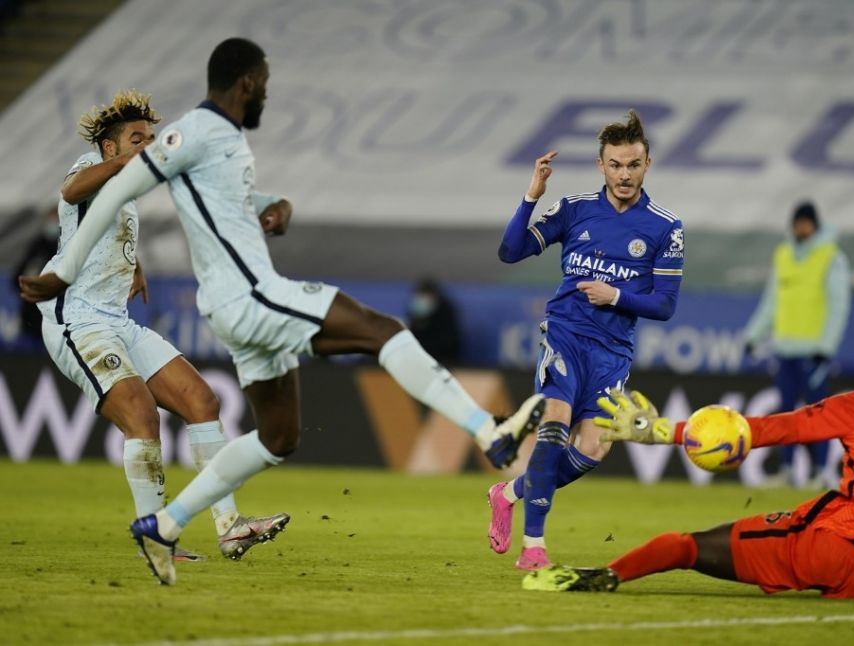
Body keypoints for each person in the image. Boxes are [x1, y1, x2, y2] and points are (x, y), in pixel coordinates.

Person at [19, 38, 545, 586]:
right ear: (247, 82)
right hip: (207, 302)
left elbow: (213, 200)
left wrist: (272, 204)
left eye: (148, 139)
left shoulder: (224, 142)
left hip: (171, 314)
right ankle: (490, 433)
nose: (147, 145)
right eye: (265, 81)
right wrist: (63, 268)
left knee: (267, 432)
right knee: (378, 330)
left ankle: (170, 526)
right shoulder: (178, 137)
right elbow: (92, 190)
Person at [526, 316, 854, 600]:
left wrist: (660, 431)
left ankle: (601, 577)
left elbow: (775, 429)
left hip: (837, 548)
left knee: (686, 545)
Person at [33, 89, 288, 562]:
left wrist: (133, 265)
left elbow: (106, 231)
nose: (149, 145)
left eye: (152, 138)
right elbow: (71, 192)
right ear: (109, 148)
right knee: (141, 417)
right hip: (79, 321)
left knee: (201, 400)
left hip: (118, 320)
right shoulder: (88, 163)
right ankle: (155, 542)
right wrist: (128, 164)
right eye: (137, 138)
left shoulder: (126, 191)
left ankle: (230, 527)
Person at [490, 110, 685, 569]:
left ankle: (510, 492)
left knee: (593, 448)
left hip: (612, 353)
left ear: (647, 165)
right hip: (566, 335)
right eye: (615, 164)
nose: (623, 174)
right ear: (601, 165)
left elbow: (664, 305)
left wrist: (614, 294)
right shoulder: (575, 209)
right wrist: (530, 196)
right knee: (553, 429)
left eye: (632, 164)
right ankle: (534, 548)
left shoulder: (665, 227)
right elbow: (510, 251)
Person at [743, 201, 851, 488]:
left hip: (813, 350)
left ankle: (820, 472)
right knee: (786, 415)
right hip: (785, 349)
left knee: (817, 415)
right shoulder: (784, 254)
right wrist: (754, 336)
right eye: (798, 223)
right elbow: (772, 302)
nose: (802, 228)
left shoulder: (831, 257)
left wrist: (826, 347)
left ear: (815, 225)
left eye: (806, 223)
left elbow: (838, 306)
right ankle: (788, 469)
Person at [11, 204, 59, 350]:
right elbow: (16, 278)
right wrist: (28, 285)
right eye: (50, 219)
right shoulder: (36, 245)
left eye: (55, 220)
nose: (52, 224)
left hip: (54, 321)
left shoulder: (67, 247)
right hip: (30, 318)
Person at [407, 278, 461, 364]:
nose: (422, 299)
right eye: (420, 295)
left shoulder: (445, 312)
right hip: (419, 358)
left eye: (426, 295)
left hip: (443, 359)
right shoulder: (414, 311)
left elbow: (448, 342)